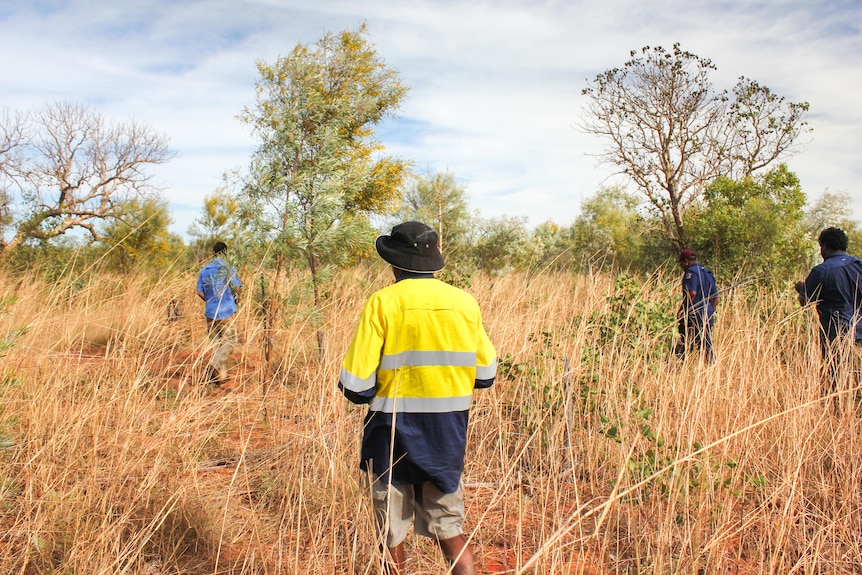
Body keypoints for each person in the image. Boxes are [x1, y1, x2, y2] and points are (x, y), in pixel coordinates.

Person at [338, 221, 497, 575]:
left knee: (390, 532)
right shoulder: (464, 302)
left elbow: (355, 386)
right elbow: (485, 375)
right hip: (447, 435)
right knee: (450, 529)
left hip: (390, 434)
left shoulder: (383, 302)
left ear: (394, 263)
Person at [795, 227, 862, 397]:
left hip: (836, 330)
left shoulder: (821, 271)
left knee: (835, 374)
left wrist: (801, 289)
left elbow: (805, 301)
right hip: (859, 328)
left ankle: (835, 410)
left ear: (824, 246)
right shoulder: (858, 265)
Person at [196, 241, 243, 385]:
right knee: (230, 341)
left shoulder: (205, 270)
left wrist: (210, 300)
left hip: (210, 311)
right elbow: (237, 288)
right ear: (226, 253)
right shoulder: (229, 269)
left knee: (217, 344)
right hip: (226, 311)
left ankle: (220, 377)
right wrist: (235, 300)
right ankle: (214, 366)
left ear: (213, 253)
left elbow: (199, 292)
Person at [675, 249, 718, 362]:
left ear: (686, 262)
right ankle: (711, 366)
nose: (681, 267)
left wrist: (682, 310)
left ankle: (677, 366)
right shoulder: (707, 273)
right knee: (706, 343)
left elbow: (691, 293)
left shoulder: (690, 273)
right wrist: (709, 312)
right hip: (707, 313)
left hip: (694, 314)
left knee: (685, 341)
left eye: (681, 264)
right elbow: (716, 298)